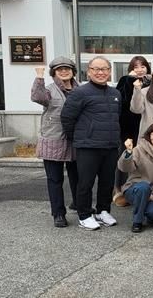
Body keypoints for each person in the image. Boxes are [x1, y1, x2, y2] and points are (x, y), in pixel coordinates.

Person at [60, 56, 121, 231]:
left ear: (110, 71)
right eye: (96, 69)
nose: (100, 72)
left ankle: (103, 211)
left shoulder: (115, 94)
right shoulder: (79, 93)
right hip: (88, 146)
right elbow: (67, 118)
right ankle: (84, 215)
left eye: (104, 69)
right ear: (89, 72)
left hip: (110, 145)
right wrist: (79, 138)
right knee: (85, 183)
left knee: (107, 182)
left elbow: (117, 117)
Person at [31, 57, 80, 228]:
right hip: (53, 139)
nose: (64, 71)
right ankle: (58, 213)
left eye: (67, 68)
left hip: (76, 138)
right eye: (60, 69)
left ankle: (80, 205)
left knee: (78, 177)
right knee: (55, 179)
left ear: (73, 71)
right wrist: (39, 77)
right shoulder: (49, 89)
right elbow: (37, 97)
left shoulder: (81, 89)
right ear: (54, 73)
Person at [118, 122, 153, 233]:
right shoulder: (139, 149)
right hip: (135, 188)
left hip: (152, 192)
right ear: (149, 135)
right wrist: (128, 152)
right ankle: (137, 222)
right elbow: (125, 168)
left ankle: (147, 210)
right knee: (143, 187)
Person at [114, 56, 151, 204]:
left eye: (143, 66)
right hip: (127, 127)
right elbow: (122, 100)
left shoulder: (151, 81)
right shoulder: (125, 80)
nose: (139, 70)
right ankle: (118, 189)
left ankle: (136, 189)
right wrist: (130, 81)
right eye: (136, 67)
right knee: (125, 156)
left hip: (145, 126)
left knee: (141, 159)